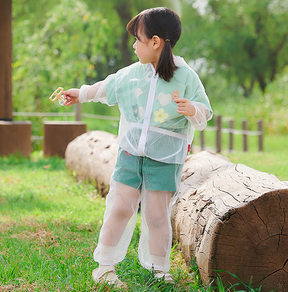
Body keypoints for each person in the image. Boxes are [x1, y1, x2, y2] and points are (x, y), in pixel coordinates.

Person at [62, 7, 212, 287]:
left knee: (157, 216)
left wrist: (191, 108)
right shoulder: (132, 74)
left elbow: (205, 112)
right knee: (119, 207)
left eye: (137, 39)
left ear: (155, 42)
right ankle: (104, 267)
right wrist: (80, 94)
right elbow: (107, 87)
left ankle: (159, 268)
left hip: (165, 158)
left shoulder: (186, 76)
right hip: (130, 154)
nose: (133, 45)